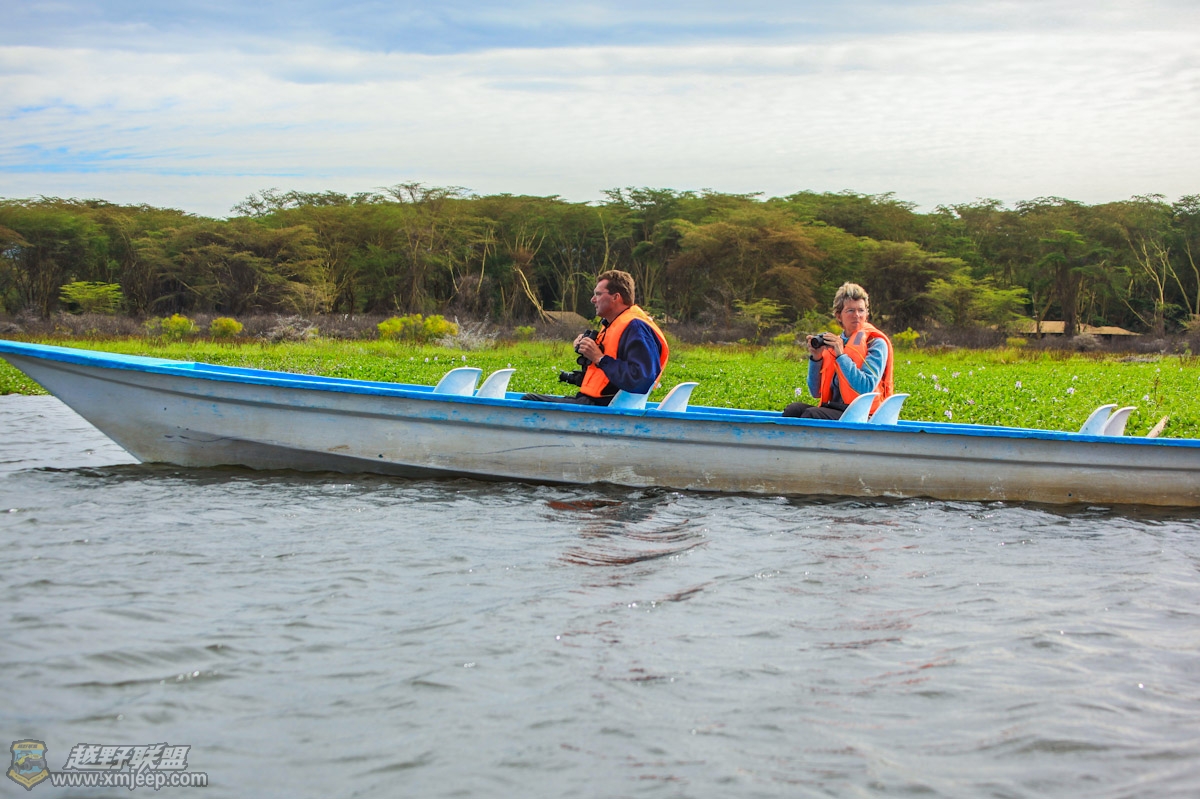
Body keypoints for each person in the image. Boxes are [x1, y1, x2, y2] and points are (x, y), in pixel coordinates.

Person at [521, 270, 670, 406]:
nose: (593, 299)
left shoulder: (636, 328)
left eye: (598, 294)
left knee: (529, 401)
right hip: (595, 402)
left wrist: (599, 358)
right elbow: (607, 382)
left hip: (606, 408)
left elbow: (641, 379)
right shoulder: (613, 325)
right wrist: (587, 353)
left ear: (616, 297)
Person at [783, 282, 893, 420]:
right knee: (793, 410)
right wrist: (816, 359)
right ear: (839, 315)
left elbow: (866, 387)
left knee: (811, 414)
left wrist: (842, 356)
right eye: (850, 310)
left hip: (863, 414)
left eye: (861, 310)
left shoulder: (875, 343)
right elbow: (815, 392)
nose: (857, 315)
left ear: (866, 314)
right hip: (834, 408)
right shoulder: (834, 343)